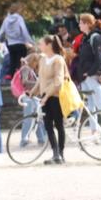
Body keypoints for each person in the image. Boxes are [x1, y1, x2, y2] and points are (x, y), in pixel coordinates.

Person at [34, 35, 69, 164]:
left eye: (41, 44)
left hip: (55, 96)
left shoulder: (58, 60)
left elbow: (58, 82)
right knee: (48, 126)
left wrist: (46, 96)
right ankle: (55, 153)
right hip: (45, 97)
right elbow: (40, 80)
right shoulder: (43, 59)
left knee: (59, 125)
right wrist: (31, 92)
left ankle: (61, 153)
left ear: (49, 45)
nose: (39, 46)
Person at [74, 13, 101, 120]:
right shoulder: (85, 38)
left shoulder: (95, 37)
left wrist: (90, 72)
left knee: (100, 104)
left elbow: (100, 58)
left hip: (93, 75)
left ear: (88, 24)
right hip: (85, 77)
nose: (79, 25)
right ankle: (94, 127)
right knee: (90, 106)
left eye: (81, 23)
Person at [0, 2, 33, 78]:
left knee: (12, 59)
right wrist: (30, 41)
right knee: (21, 60)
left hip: (10, 44)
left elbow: (1, 32)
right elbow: (24, 31)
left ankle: (11, 74)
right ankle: (20, 76)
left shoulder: (6, 19)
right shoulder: (19, 18)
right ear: (18, 10)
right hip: (20, 43)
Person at [17, 52, 46, 147]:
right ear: (33, 61)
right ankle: (24, 140)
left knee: (38, 118)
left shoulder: (29, 69)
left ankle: (42, 139)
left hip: (32, 97)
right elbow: (24, 82)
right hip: (28, 97)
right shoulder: (26, 68)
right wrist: (38, 83)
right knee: (29, 119)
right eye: (36, 62)